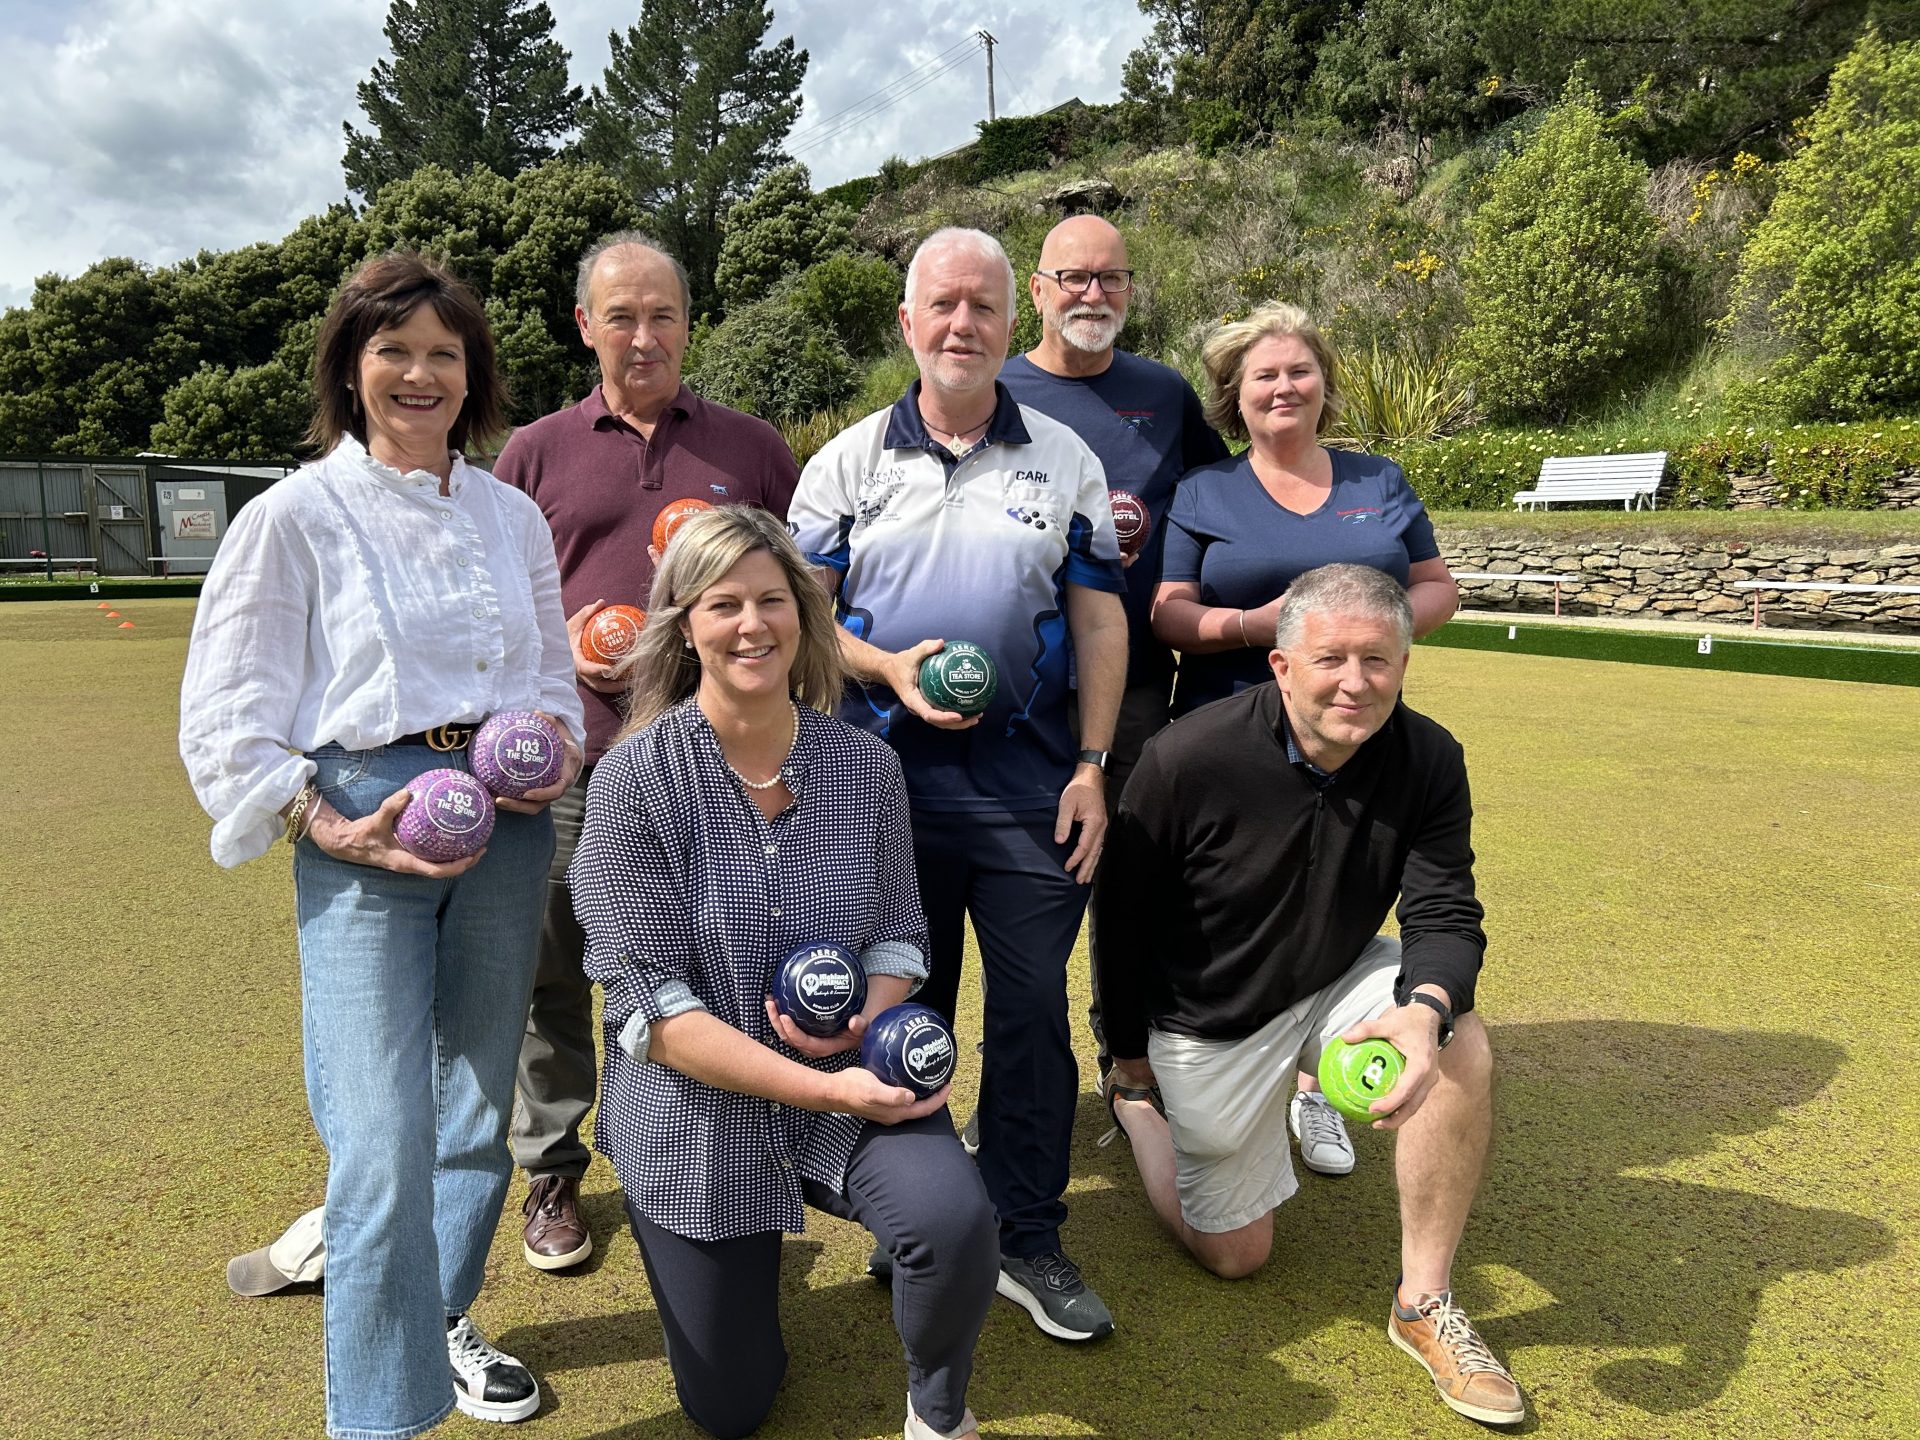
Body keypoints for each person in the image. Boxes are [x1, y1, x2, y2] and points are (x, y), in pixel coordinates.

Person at [180, 252, 586, 1435]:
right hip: (364, 810)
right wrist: (323, 818)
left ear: (474, 376)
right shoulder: (293, 515)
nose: (420, 374)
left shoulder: (511, 513)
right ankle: (378, 1416)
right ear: (350, 371)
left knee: (471, 1114)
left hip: (502, 817)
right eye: (393, 351)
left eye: (443, 355)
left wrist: (550, 744)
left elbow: (551, 678)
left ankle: (442, 1319)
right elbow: (229, 709)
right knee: (380, 1137)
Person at [570, 506, 998, 1440]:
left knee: (952, 1221)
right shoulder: (633, 779)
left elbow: (897, 933)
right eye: (724, 604)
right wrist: (824, 1085)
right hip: (692, 1109)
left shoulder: (864, 765)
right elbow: (653, 1012)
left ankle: (939, 1415)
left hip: (853, 1078)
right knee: (729, 1408)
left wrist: (870, 1035)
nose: (751, 624)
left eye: (773, 600)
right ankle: (741, 1280)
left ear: (805, 616)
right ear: (685, 623)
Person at [788, 227, 1130, 1343]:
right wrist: (889, 668)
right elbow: (801, 624)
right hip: (882, 801)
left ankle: (1029, 1236)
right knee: (904, 1016)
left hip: (1034, 797)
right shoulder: (844, 463)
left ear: (1007, 319)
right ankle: (919, 1224)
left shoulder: (1067, 458)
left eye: (983, 305)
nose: (963, 325)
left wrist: (1092, 764)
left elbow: (1097, 615)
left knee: (1031, 1019)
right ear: (908, 322)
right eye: (942, 304)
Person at [1097, 564, 1524, 1428]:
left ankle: (1423, 1305)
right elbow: (1122, 919)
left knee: (1458, 1037)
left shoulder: (1430, 757)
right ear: (1282, 666)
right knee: (1237, 1255)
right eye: (1331, 658)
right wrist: (1128, 1051)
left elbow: (1445, 906)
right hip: (1207, 1017)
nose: (1356, 682)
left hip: (1337, 974)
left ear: (1405, 663)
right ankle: (1138, 1110)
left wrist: (1426, 1006)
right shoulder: (1187, 757)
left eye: (1379, 659)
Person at [493, 230, 800, 1270]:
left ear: (687, 322)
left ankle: (701, 1154)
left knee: (703, 962)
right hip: (571, 765)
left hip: (709, 767)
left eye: (662, 314)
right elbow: (500, 612)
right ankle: (554, 1170)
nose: (643, 336)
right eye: (620, 316)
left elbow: (794, 597)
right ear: (585, 327)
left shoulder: (752, 450)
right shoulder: (534, 452)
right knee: (551, 975)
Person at [1151, 301, 1460, 1175]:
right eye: (1263, 377)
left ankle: (1313, 1087)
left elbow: (1438, 586)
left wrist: (1379, 632)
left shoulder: (1378, 482)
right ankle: (1192, 1072)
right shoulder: (1203, 491)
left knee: (1335, 900)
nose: (1284, 388)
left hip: (1354, 730)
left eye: (1298, 371)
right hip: (1229, 737)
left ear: (1324, 384)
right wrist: (1257, 628)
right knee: (1225, 910)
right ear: (1234, 399)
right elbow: (1168, 611)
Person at [998, 213, 1229, 1078]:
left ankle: (1125, 1059)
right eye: (1074, 277)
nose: (1093, 294)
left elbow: (1222, 498)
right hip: (1015, 686)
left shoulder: (1163, 393)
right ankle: (1023, 1076)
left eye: (1111, 278)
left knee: (1128, 882)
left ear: (1130, 289)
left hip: (1131, 685)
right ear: (1038, 292)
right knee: (1023, 890)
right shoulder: (997, 389)